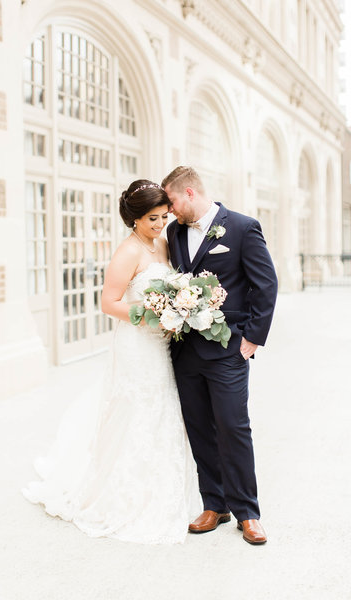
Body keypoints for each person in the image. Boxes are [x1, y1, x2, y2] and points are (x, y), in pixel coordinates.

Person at [22, 179, 202, 544]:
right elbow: (109, 303)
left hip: (161, 344)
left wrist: (175, 310)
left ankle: (158, 486)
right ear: (134, 219)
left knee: (162, 412)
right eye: (152, 218)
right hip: (137, 344)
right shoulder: (127, 252)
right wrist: (150, 311)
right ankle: (123, 494)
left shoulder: (163, 243)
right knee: (136, 411)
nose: (160, 224)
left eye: (164, 216)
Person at [162, 166, 278, 545]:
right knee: (199, 428)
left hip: (229, 348)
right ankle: (214, 504)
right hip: (185, 350)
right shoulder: (176, 231)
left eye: (173, 201)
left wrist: (252, 339)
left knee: (233, 427)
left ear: (190, 192)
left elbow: (265, 284)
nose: (170, 210)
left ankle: (248, 512)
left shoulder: (243, 228)